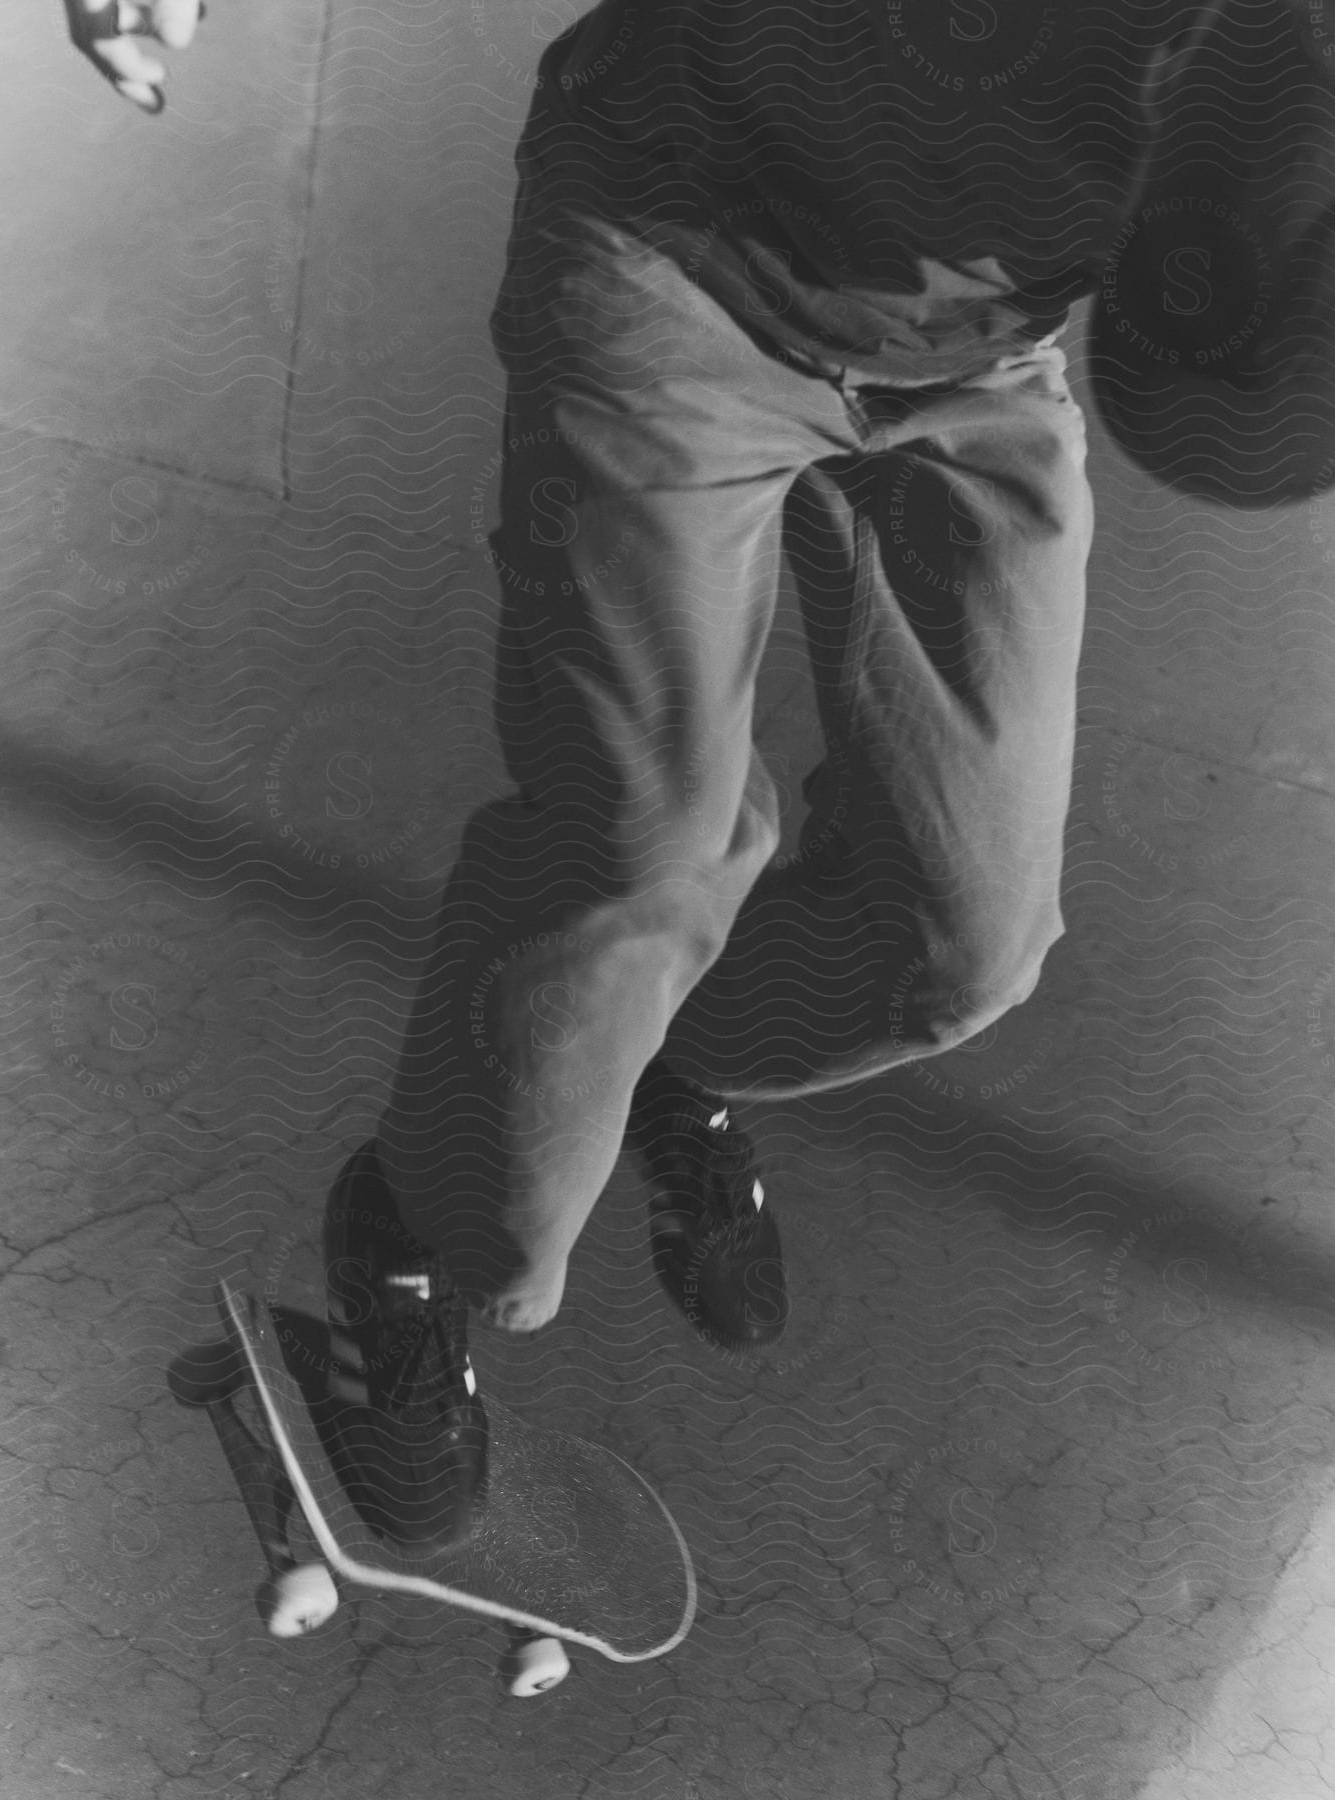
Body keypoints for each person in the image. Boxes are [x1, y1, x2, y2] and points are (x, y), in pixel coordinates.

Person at [65, 0, 1335, 1547]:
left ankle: (669, 1062)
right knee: (644, 850)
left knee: (963, 943)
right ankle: (412, 1231)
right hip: (675, 247)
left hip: (969, 363)